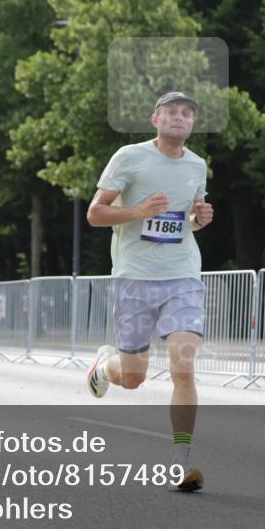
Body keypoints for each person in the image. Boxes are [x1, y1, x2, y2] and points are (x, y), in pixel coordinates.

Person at [85, 91, 213, 492]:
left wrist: (200, 217)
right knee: (134, 378)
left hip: (182, 276)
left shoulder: (197, 165)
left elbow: (186, 219)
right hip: (134, 277)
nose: (179, 118)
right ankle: (105, 369)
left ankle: (180, 462)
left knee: (183, 367)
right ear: (155, 119)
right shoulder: (129, 157)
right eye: (171, 112)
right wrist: (139, 211)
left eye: (187, 113)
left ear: (192, 123)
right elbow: (95, 213)